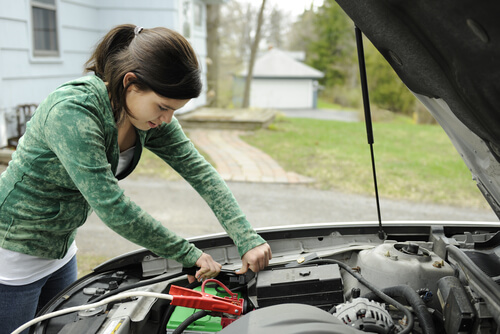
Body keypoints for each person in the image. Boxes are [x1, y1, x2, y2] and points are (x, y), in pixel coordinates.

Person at [0, 24, 272, 333]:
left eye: (174, 110)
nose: (167, 119)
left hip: (61, 251)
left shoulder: (146, 117)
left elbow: (201, 172)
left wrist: (247, 238)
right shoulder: (73, 112)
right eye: (162, 107)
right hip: (12, 254)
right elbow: (113, 208)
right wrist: (188, 254)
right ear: (131, 82)